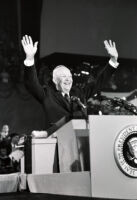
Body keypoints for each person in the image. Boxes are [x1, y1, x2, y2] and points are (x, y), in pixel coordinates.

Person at [21, 35, 119, 137]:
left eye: (69, 76)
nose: (68, 79)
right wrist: (30, 59)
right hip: (57, 141)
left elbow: (99, 82)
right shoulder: (47, 94)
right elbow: (31, 83)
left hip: (80, 139)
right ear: (55, 80)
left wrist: (113, 60)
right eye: (63, 76)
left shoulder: (79, 93)